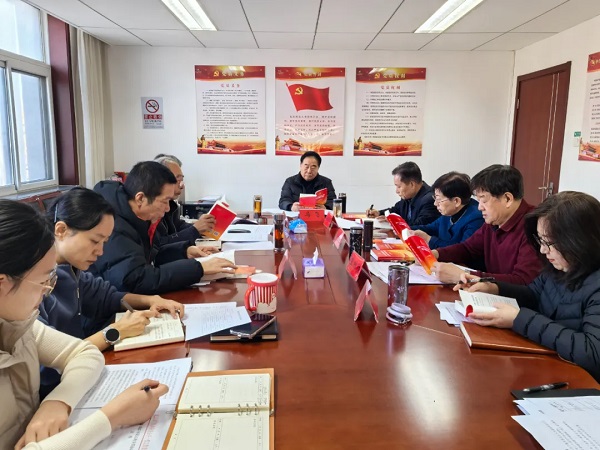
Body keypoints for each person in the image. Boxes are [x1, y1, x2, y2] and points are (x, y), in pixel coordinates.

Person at [0, 199, 168, 449]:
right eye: (43, 282)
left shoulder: (20, 324)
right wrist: (113, 417)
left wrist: (58, 402)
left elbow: (84, 353)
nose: (47, 292)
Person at [38, 188, 186, 397]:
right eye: (94, 241)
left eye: (104, 242)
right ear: (61, 230)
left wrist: (151, 299)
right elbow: (51, 362)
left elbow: (106, 297)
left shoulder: (71, 269)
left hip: (80, 376)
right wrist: (116, 331)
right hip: (54, 391)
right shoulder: (35, 284)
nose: (100, 251)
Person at [458, 192, 600, 381]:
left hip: (579, 382)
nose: (543, 249)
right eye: (541, 240)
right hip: (546, 364)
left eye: (549, 242)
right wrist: (494, 288)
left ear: (579, 239)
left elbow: (592, 353)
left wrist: (519, 319)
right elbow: (533, 295)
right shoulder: (559, 266)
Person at [90, 161, 235, 294]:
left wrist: (184, 252)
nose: (167, 209)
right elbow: (135, 280)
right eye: (165, 201)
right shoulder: (112, 224)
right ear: (140, 198)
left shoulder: (139, 216)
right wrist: (199, 268)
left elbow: (149, 257)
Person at [431, 164, 541, 285]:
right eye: (478, 201)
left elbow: (523, 281)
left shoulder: (534, 226)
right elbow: (468, 248)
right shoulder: (494, 221)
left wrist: (465, 276)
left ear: (507, 199)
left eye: (484, 200)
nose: (479, 207)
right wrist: (436, 254)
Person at [412, 172, 483, 249]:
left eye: (439, 199)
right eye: (435, 198)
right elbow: (430, 228)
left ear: (456, 201)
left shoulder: (476, 219)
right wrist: (406, 229)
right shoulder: (450, 211)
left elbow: (462, 250)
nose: (435, 203)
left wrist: (429, 239)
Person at [154, 154, 215, 245]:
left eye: (181, 180)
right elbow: (159, 245)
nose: (182, 186)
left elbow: (178, 226)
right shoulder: (152, 208)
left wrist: (201, 226)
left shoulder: (171, 204)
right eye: (177, 180)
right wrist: (195, 230)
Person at [367, 161, 440, 227]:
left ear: (412, 184)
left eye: (399, 186)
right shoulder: (408, 196)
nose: (397, 191)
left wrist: (394, 223)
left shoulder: (430, 200)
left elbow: (418, 226)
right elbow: (395, 210)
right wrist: (379, 213)